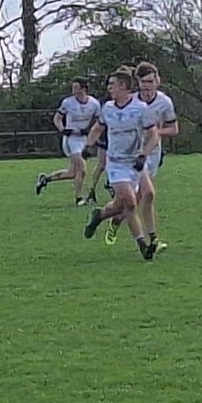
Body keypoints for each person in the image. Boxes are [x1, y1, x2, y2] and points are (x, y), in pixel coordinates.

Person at [81, 66, 160, 260]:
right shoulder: (107, 108)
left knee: (121, 205)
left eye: (112, 84)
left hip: (135, 163)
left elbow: (153, 136)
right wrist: (88, 146)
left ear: (123, 86)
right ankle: (143, 245)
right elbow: (97, 128)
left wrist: (144, 154)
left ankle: (99, 216)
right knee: (130, 202)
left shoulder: (141, 109)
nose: (109, 88)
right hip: (116, 163)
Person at [135, 62, 179, 252]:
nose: (147, 86)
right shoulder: (131, 102)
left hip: (152, 153)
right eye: (143, 82)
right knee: (142, 195)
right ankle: (109, 215)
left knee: (143, 195)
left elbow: (174, 129)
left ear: (157, 81)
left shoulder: (164, 102)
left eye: (150, 81)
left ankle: (151, 238)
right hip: (132, 153)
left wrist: (155, 133)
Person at [35, 77, 101, 206]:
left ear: (83, 89)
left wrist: (89, 130)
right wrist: (63, 130)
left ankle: (46, 179)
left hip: (83, 139)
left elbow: (99, 121)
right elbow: (57, 118)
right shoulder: (68, 103)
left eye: (76, 87)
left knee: (72, 173)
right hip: (71, 140)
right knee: (81, 169)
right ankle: (78, 198)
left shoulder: (94, 104)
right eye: (73, 87)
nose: (73, 90)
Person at [81, 75, 115, 205]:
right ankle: (91, 191)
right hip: (105, 137)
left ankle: (111, 185)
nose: (111, 88)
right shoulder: (104, 103)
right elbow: (98, 122)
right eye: (109, 86)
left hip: (118, 138)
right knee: (101, 165)